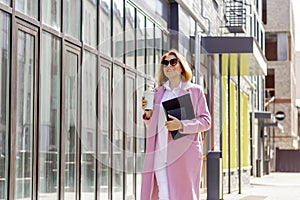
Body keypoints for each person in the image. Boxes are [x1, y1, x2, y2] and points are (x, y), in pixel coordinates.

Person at [140, 49, 211, 200]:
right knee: (163, 194)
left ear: (181, 66)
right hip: (159, 151)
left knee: (183, 195)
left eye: (173, 62)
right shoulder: (157, 92)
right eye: (165, 63)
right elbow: (152, 125)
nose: (169, 66)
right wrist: (147, 114)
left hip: (184, 153)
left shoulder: (194, 91)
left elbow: (206, 121)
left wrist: (181, 125)